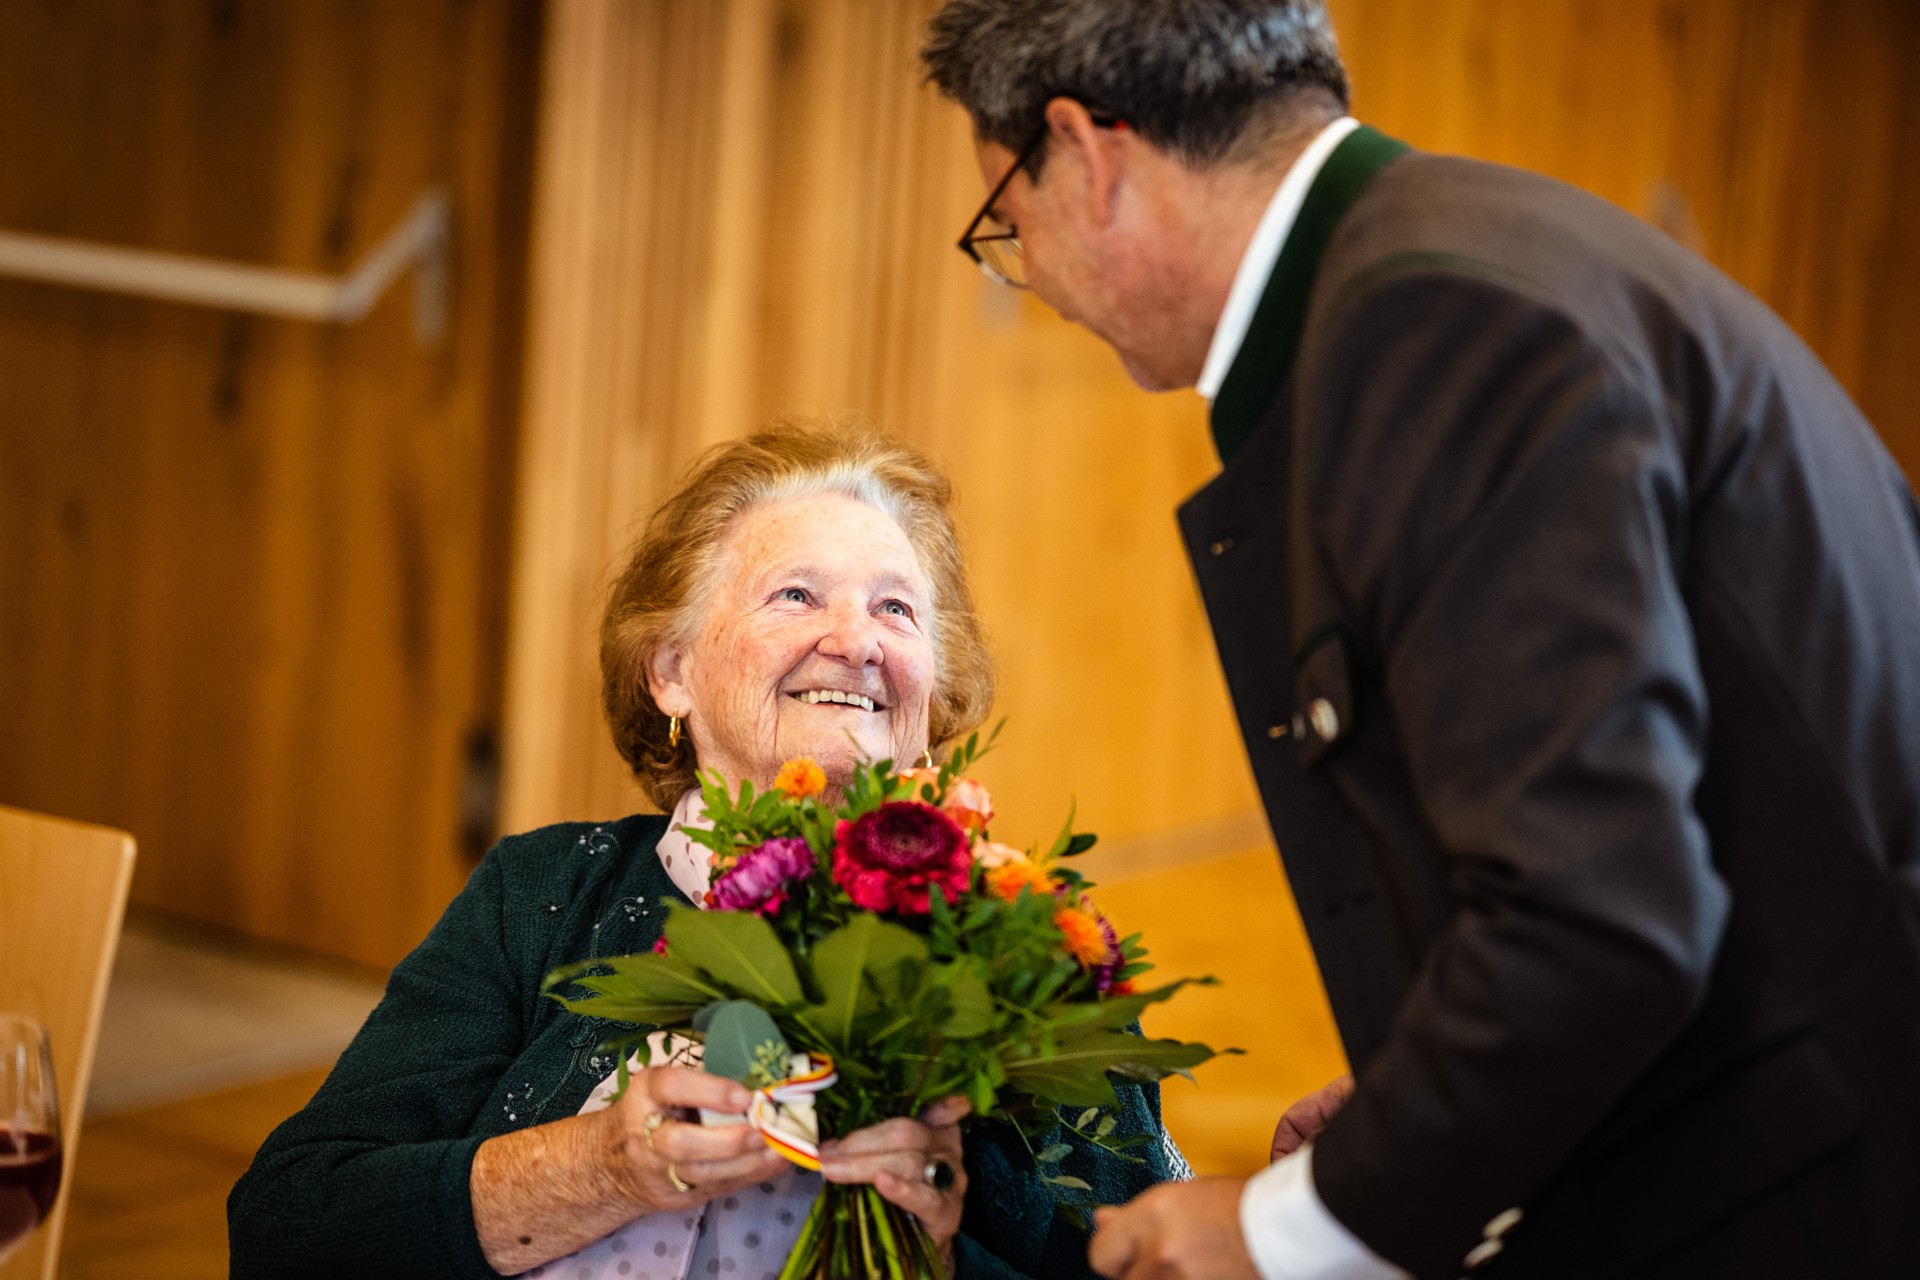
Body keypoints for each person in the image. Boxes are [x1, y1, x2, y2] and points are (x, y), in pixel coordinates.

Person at [921, 3, 1920, 1279]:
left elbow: (1602, 919)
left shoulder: (1432, 323)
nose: (1036, 283)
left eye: (1006, 223)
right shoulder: (1476, 252)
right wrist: (1429, 1096)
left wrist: (1284, 1229)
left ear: (1089, 150)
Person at [228, 422, 1182, 1279]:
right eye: (796, 594)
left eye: (896, 610)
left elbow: (1150, 1259)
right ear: (671, 672)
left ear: (932, 700)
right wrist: (603, 1164)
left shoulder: (1023, 947)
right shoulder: (547, 892)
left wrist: (941, 1249)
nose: (854, 640)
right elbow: (289, 1228)